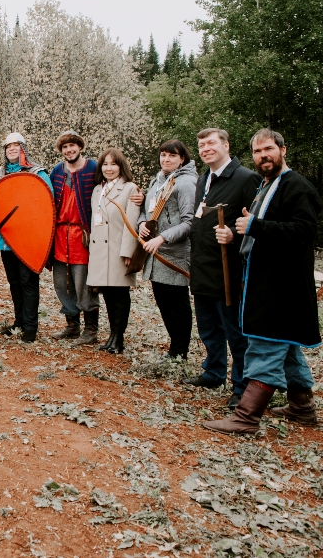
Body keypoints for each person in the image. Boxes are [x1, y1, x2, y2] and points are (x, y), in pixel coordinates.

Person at [203, 129, 322, 434]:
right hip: (263, 280)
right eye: (257, 152)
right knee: (288, 344)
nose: (262, 156)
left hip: (283, 285)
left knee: (266, 345)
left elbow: (304, 231)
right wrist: (245, 228)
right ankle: (301, 406)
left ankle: (246, 417)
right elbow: (260, 228)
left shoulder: (297, 186)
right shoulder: (266, 185)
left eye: (268, 149)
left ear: (283, 149)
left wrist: (256, 226)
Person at [185, 128, 262, 410]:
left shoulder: (246, 179)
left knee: (235, 332)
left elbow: (256, 224)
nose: (206, 149)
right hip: (203, 266)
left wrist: (234, 234)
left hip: (230, 270)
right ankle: (213, 372)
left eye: (211, 143)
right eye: (201, 145)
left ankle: (241, 386)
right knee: (208, 327)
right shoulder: (204, 179)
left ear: (226, 145)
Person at [0, 133, 54, 343]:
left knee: (28, 281)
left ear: (23, 147)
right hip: (6, 237)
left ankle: (31, 327)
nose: (12, 149)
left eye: (16, 145)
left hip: (29, 237)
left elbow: (46, 203)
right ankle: (19, 321)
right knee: (14, 282)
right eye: (8, 146)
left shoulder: (37, 173)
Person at [136, 140, 198, 358]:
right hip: (156, 254)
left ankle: (180, 352)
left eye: (172, 155)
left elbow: (189, 222)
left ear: (182, 158)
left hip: (175, 255)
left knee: (178, 306)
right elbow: (146, 211)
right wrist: (142, 223)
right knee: (163, 303)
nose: (166, 159)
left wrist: (162, 238)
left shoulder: (186, 183)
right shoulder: (158, 181)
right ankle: (174, 348)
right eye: (163, 155)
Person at [85, 148, 140, 352]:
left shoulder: (130, 189)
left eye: (113, 164)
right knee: (107, 295)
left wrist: (128, 252)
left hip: (118, 251)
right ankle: (111, 336)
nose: (109, 168)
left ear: (121, 166)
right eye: (105, 164)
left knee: (120, 295)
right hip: (100, 252)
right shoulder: (98, 190)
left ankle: (119, 337)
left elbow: (131, 223)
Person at [47, 130, 101, 342]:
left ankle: (91, 330)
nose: (69, 150)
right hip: (61, 233)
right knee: (62, 282)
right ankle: (72, 326)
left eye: (72, 146)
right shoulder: (57, 171)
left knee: (83, 282)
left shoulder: (94, 167)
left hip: (83, 233)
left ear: (80, 147)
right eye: (65, 147)